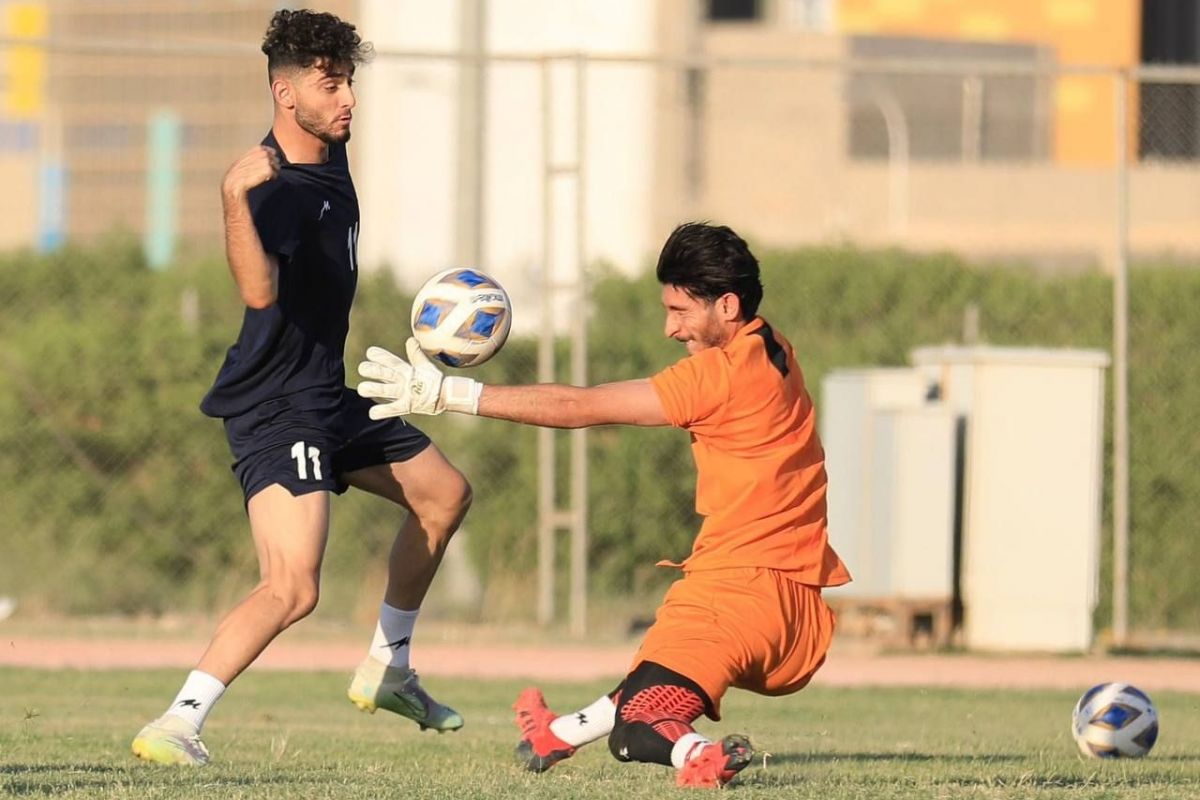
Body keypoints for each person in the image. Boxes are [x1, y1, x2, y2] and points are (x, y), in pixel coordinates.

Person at [356, 222, 852, 789]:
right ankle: (557, 734)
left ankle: (700, 756)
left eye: (681, 311)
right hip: (791, 599)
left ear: (728, 305)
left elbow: (579, 406)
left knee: (641, 726)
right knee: (652, 679)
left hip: (737, 592)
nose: (671, 328)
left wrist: (449, 394)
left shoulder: (719, 376)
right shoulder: (773, 346)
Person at [132, 9, 472, 766]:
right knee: (292, 584)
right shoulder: (274, 187)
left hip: (325, 394)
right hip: (275, 404)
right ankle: (178, 720)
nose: (347, 96)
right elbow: (258, 292)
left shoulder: (330, 156)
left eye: (349, 79)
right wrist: (231, 195)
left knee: (443, 494)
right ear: (287, 94)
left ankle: (390, 666)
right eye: (330, 83)